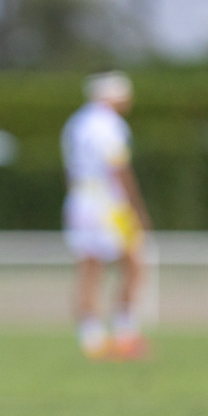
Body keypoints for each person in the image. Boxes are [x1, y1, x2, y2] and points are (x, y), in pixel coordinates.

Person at [60, 71, 152, 360]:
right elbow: (118, 168)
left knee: (89, 268)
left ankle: (92, 340)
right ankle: (125, 334)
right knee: (134, 263)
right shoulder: (110, 124)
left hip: (80, 199)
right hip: (108, 203)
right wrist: (136, 207)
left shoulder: (76, 123)